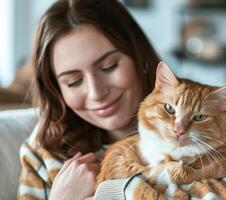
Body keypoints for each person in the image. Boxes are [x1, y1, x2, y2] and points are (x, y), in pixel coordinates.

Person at [18, 0, 160, 199]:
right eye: (74, 82)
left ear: (139, 55)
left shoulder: (204, 129)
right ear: (56, 90)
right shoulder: (44, 153)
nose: (96, 93)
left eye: (109, 66)